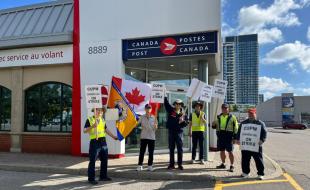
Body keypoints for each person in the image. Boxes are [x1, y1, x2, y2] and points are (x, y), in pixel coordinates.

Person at [83, 107, 118, 185]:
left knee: (105, 159)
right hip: (94, 142)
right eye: (98, 110)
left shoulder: (102, 119)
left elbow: (105, 130)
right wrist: (93, 126)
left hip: (103, 141)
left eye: (101, 111)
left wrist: (113, 136)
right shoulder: (90, 119)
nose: (99, 112)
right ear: (94, 111)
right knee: (92, 160)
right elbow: (84, 130)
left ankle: (103, 176)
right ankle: (91, 178)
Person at [237, 108, 267, 180]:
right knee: (245, 159)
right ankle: (245, 173)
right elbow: (239, 132)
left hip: (256, 145)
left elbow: (264, 133)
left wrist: (262, 140)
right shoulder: (243, 123)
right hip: (246, 145)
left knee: (258, 160)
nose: (251, 115)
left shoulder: (260, 123)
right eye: (249, 114)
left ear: (255, 114)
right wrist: (238, 139)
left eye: (252, 114)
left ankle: (260, 174)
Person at [212, 103, 238, 172]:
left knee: (230, 152)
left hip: (229, 137)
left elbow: (236, 128)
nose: (225, 109)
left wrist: (235, 138)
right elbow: (214, 127)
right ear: (221, 109)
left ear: (228, 109)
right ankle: (223, 164)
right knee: (222, 151)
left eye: (226, 108)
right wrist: (213, 124)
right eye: (223, 108)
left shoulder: (232, 117)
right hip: (220, 136)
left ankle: (232, 165)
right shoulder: (218, 117)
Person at [164, 97, 188, 170]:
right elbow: (166, 104)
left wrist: (182, 122)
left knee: (180, 149)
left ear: (181, 105)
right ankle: (171, 164)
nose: (177, 105)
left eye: (179, 104)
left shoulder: (183, 113)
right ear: (174, 105)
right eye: (176, 104)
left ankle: (180, 164)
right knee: (171, 149)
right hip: (171, 132)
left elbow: (186, 124)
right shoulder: (171, 110)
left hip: (179, 133)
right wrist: (164, 96)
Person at [136, 104, 158, 172]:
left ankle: (150, 166)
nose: (148, 109)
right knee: (142, 152)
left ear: (151, 109)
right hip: (144, 136)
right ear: (145, 109)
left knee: (151, 153)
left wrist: (155, 126)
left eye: (149, 108)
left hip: (151, 137)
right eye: (147, 108)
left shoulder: (154, 117)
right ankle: (140, 165)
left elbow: (156, 129)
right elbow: (136, 124)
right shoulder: (142, 117)